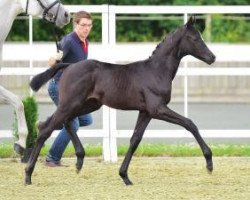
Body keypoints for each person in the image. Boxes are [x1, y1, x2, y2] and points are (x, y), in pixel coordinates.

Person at [44, 11, 93, 167]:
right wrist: (56, 58)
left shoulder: (84, 42)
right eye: (83, 25)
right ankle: (52, 158)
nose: (86, 28)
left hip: (72, 89)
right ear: (75, 25)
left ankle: (46, 125)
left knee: (86, 119)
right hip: (58, 86)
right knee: (74, 124)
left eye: (89, 25)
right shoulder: (69, 41)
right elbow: (51, 62)